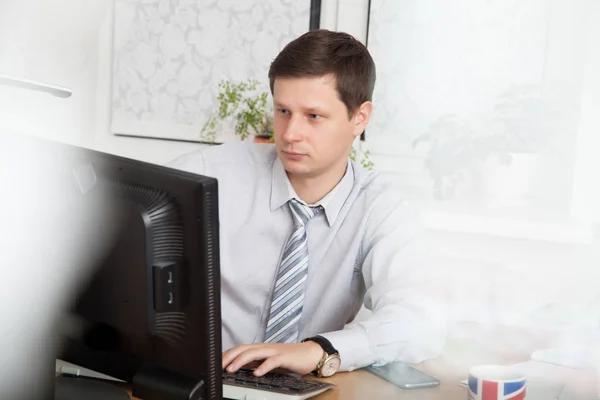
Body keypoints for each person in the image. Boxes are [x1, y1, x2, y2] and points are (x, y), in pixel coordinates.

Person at [168, 29, 446, 378]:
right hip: (198, 380)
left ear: (359, 118)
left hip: (304, 389)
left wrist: (320, 350)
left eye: (313, 116)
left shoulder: (381, 209)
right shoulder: (208, 175)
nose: (289, 133)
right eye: (283, 111)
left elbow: (421, 322)